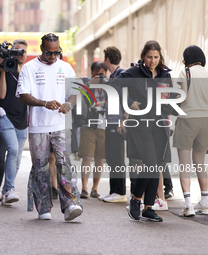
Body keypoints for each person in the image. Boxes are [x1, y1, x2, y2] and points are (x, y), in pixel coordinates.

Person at [18, 33, 83, 221]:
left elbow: (75, 93)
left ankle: (70, 204)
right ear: (41, 49)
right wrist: (44, 103)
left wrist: (68, 105)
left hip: (61, 125)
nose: (53, 57)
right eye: (49, 53)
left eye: (57, 52)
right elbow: (24, 96)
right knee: (41, 167)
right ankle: (43, 206)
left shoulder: (65, 67)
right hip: (38, 126)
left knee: (65, 164)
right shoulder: (29, 68)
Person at [112, 40, 173, 222]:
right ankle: (136, 198)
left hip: (159, 124)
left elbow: (167, 99)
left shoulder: (165, 75)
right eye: (149, 57)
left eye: (156, 57)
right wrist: (129, 102)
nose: (153, 61)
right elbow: (113, 86)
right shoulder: (133, 73)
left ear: (160, 56)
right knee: (151, 162)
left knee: (156, 165)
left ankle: (148, 207)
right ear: (143, 56)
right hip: (140, 125)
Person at [173, 45, 208, 216]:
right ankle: (205, 202)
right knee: (200, 163)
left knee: (184, 164)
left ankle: (188, 205)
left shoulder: (186, 73)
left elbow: (183, 99)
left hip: (187, 120)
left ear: (187, 58)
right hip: (204, 121)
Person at [0, 39, 28, 206]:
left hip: (23, 120)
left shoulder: (28, 72)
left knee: (18, 157)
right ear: (12, 52)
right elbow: (1, 95)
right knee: (12, 150)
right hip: (5, 116)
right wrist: (4, 71)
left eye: (24, 52)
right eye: (18, 51)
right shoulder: (5, 68)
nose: (21, 54)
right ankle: (9, 189)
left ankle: (7, 191)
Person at [99, 47, 127, 203]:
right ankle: (113, 190)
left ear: (107, 60)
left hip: (117, 121)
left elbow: (126, 98)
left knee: (117, 156)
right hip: (110, 119)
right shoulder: (114, 76)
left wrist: (123, 120)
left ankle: (120, 191)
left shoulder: (121, 75)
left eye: (104, 58)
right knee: (110, 156)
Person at [78, 61, 107, 199]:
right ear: (92, 73)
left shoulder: (109, 84)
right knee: (87, 157)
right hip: (88, 125)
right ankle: (84, 188)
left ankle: (95, 188)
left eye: (102, 73)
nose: (99, 76)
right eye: (97, 73)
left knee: (99, 159)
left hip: (105, 126)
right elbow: (78, 94)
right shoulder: (85, 82)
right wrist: (91, 82)